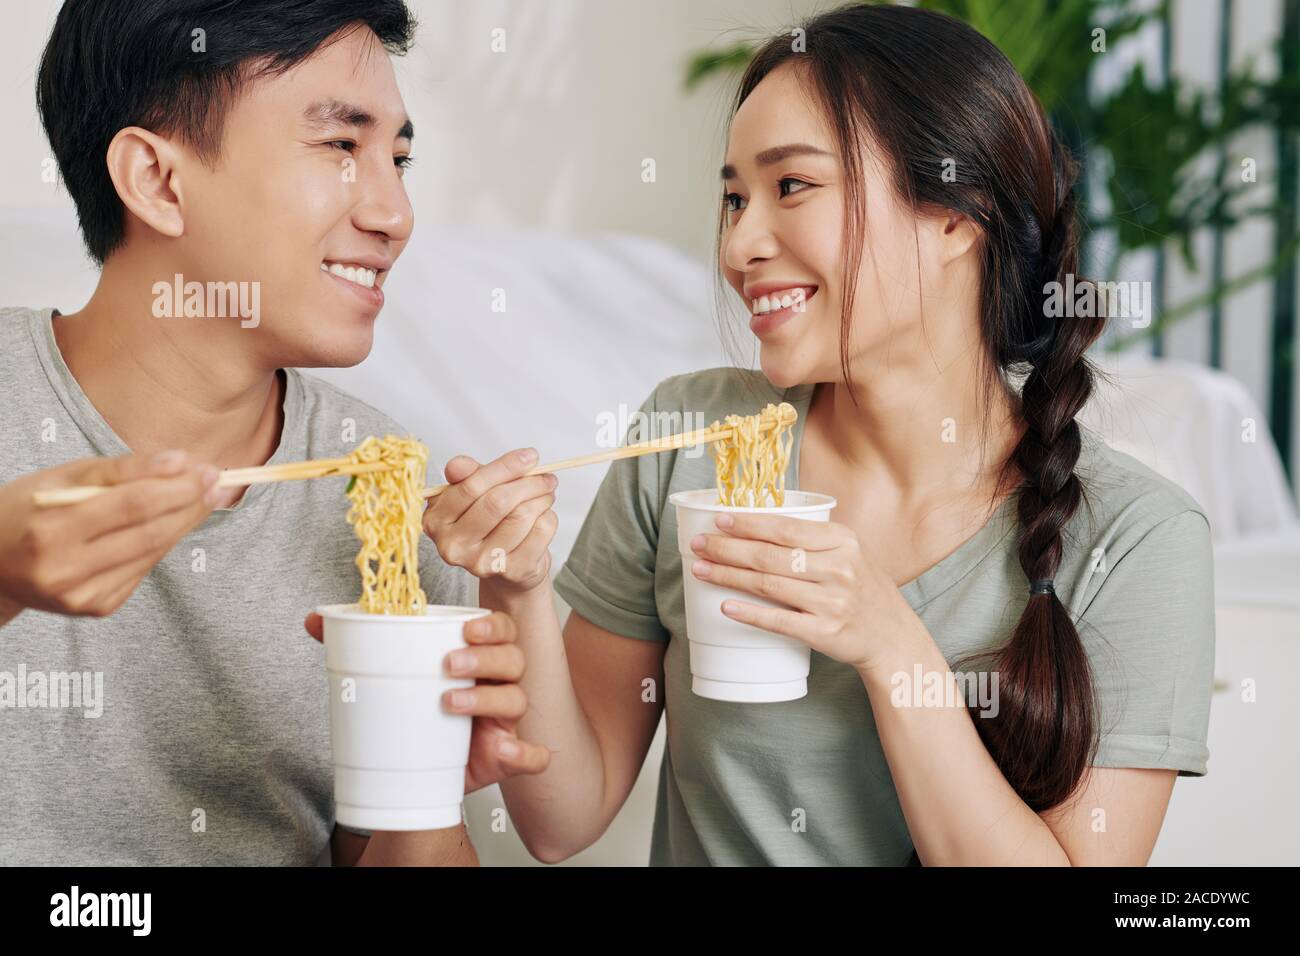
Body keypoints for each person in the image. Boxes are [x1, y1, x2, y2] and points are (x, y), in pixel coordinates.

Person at [426, 3, 1216, 865]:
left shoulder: (1141, 541)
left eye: (790, 186)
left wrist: (888, 643)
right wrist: (517, 588)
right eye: (733, 199)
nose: (738, 245)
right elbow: (559, 818)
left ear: (957, 213)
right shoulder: (687, 437)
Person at [0, 0, 550, 866]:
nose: (395, 213)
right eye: (341, 146)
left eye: (399, 157)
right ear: (156, 180)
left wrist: (420, 791)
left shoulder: (393, 495)